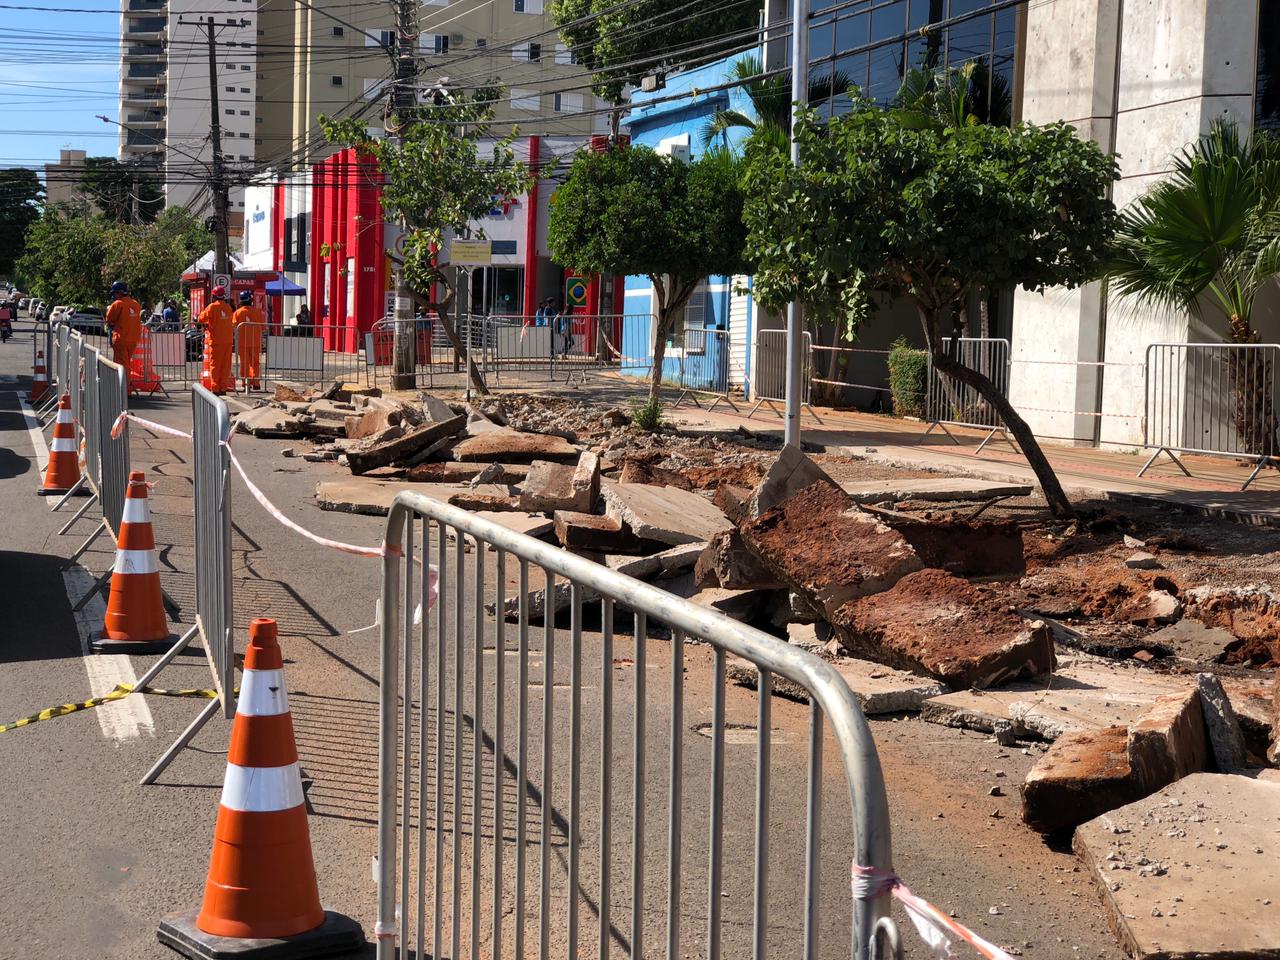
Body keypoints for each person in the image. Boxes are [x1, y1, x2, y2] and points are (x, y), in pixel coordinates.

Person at [197, 285, 236, 394]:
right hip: (228, 341)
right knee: (225, 366)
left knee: (215, 365)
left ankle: (215, 388)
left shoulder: (212, 307)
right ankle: (223, 388)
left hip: (216, 341)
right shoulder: (228, 308)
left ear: (213, 296)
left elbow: (201, 318)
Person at [105, 280, 142, 370]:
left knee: (121, 367)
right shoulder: (136, 304)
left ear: (119, 293)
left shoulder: (118, 304)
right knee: (126, 364)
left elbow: (109, 319)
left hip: (121, 339)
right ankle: (126, 383)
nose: (113, 296)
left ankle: (124, 384)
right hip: (133, 340)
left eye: (114, 293)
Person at [232, 290, 264, 391]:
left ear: (241, 301)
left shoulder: (238, 312)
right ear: (251, 300)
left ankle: (245, 383)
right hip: (255, 342)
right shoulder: (258, 312)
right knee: (255, 363)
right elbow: (263, 327)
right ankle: (256, 382)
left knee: (244, 363)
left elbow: (233, 326)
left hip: (243, 342)